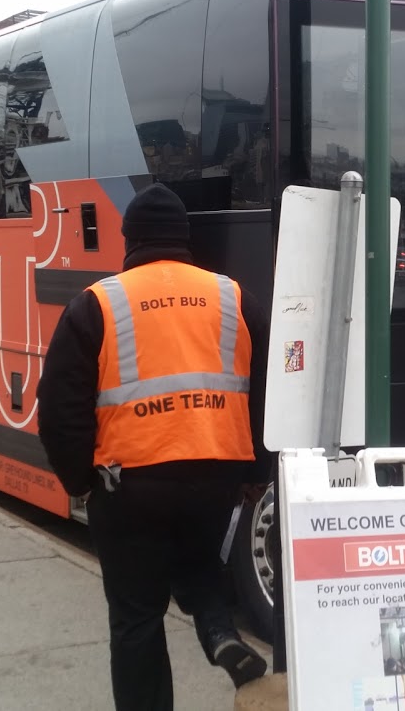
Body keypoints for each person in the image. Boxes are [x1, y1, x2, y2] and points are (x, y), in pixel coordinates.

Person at [38, 182, 272, 710]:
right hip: (215, 477)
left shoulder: (97, 304)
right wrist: (256, 470)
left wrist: (79, 480)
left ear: (131, 239)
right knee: (197, 564)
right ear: (184, 238)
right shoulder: (235, 298)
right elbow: (267, 391)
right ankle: (220, 634)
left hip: (129, 485)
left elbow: (58, 408)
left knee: (137, 618)